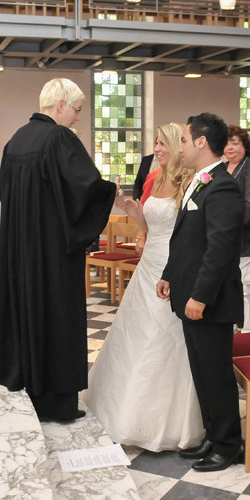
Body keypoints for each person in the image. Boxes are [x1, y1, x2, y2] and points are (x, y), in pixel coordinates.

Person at [0, 78, 118, 422]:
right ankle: (55, 403)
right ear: (60, 105)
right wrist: (110, 190)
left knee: (27, 313)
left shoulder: (17, 139)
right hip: (51, 254)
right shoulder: (59, 138)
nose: (77, 118)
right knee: (55, 316)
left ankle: (25, 381)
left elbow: (7, 196)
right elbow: (84, 188)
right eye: (77, 110)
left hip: (20, 250)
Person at [83, 122, 203, 451]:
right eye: (156, 143)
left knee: (165, 335)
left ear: (180, 146)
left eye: (163, 143)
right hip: (149, 262)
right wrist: (136, 214)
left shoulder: (191, 180)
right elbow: (150, 228)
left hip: (173, 263)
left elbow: (190, 229)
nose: (158, 149)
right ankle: (119, 407)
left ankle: (165, 421)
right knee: (135, 332)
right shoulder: (155, 177)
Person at [156, 112, 245, 472]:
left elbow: (219, 250)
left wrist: (200, 296)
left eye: (183, 139)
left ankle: (228, 445)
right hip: (188, 291)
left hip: (210, 300)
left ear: (201, 142)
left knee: (216, 373)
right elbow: (187, 241)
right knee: (201, 371)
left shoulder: (223, 186)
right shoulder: (200, 180)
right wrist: (168, 275)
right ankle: (212, 435)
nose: (180, 145)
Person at [224, 125, 250, 332]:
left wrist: (223, 224)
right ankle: (229, 331)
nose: (230, 148)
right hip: (224, 242)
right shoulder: (220, 168)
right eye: (227, 143)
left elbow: (249, 205)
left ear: (245, 146)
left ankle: (249, 334)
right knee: (228, 289)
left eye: (235, 143)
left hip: (247, 241)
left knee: (248, 289)